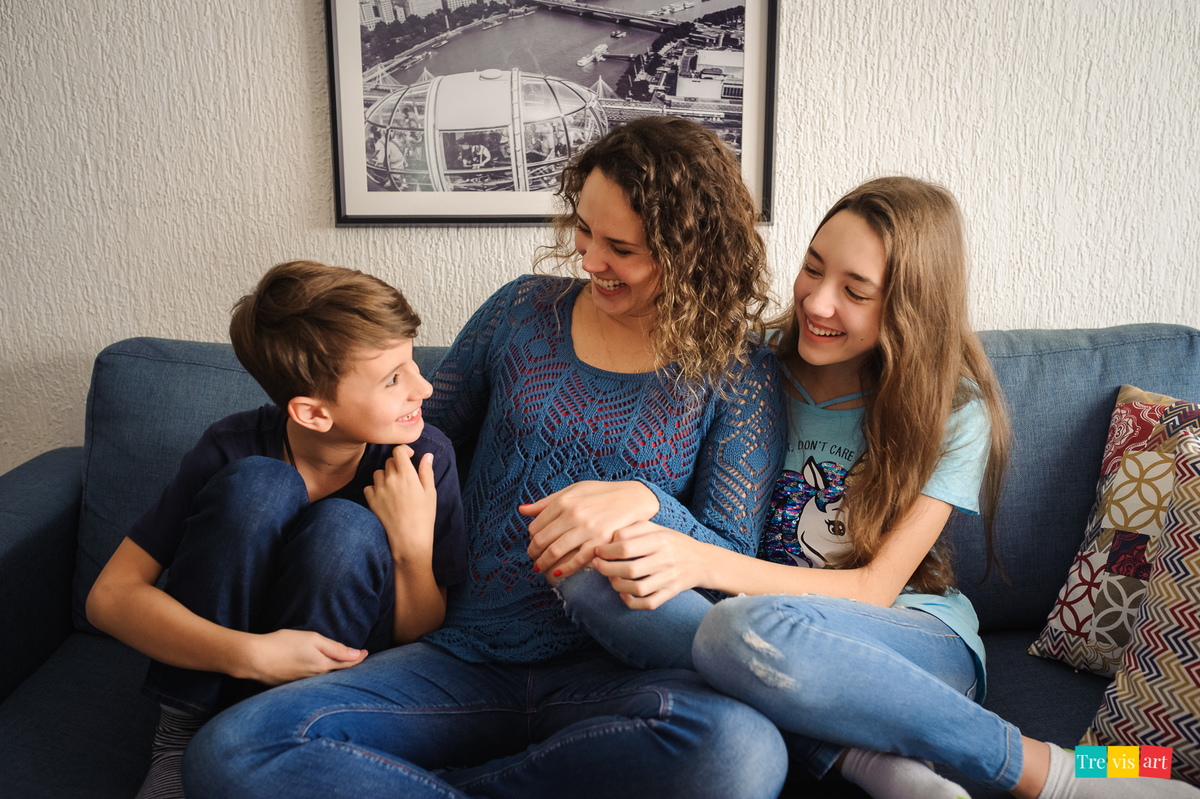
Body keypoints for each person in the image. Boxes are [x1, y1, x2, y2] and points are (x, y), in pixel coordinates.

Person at [181, 116, 790, 799]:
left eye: (620, 247)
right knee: (230, 751)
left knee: (742, 753)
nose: (589, 260)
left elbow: (731, 562)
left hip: (618, 676)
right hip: (459, 657)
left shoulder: (740, 373)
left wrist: (651, 502)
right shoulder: (521, 311)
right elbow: (409, 435)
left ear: (691, 253)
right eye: (584, 230)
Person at [557, 177, 1200, 799]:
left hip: (905, 633)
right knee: (590, 575)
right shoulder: (747, 370)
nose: (816, 303)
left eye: (855, 291)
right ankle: (871, 763)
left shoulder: (953, 410)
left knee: (739, 629)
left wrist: (700, 561)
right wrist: (645, 504)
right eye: (812, 269)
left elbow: (872, 590)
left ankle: (1050, 771)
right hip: (757, 642)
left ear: (908, 308)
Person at [86, 260, 469, 799]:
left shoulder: (423, 459)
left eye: (412, 363)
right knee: (260, 484)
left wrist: (411, 546)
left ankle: (286, 742)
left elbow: (420, 637)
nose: (424, 387)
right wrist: (251, 653)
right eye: (393, 379)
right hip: (227, 660)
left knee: (344, 528)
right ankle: (181, 735)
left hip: (327, 690)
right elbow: (109, 598)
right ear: (312, 414)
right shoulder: (229, 446)